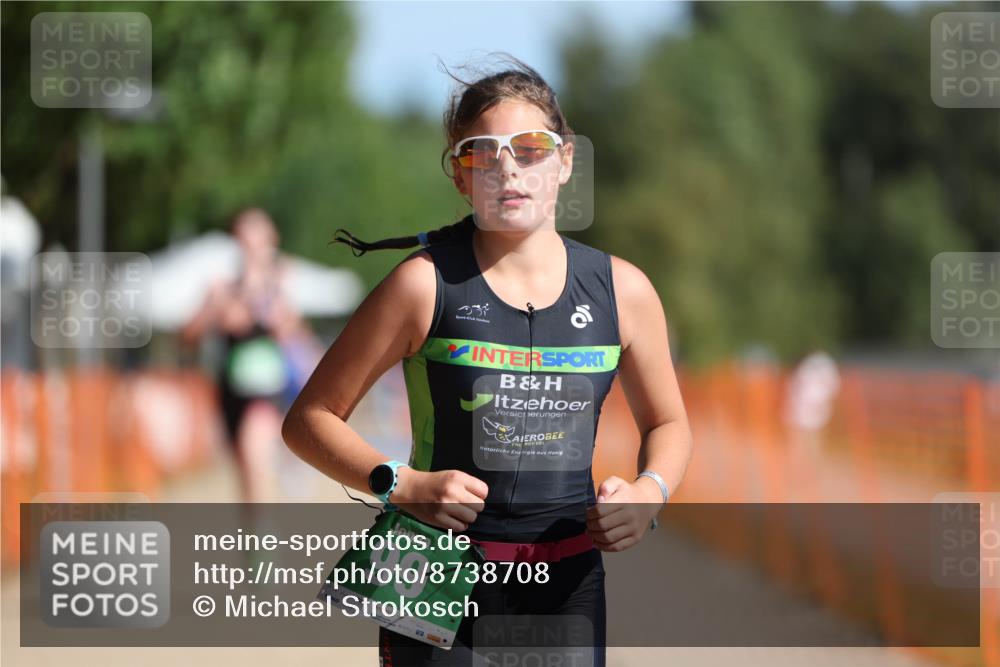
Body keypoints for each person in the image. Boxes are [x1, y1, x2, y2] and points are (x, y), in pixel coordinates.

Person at [282, 55, 693, 666]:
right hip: (427, 576)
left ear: (565, 161)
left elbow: (669, 424)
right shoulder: (421, 286)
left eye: (530, 148)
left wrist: (648, 492)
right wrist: (402, 485)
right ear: (460, 177)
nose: (508, 170)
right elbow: (308, 420)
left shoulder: (622, 291)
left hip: (564, 587)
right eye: (482, 152)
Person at [182, 207, 320, 504]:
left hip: (269, 390)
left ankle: (264, 541)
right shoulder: (222, 288)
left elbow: (299, 336)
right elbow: (188, 336)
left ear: (271, 238)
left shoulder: (284, 282)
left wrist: (279, 321)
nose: (251, 243)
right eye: (244, 235)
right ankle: (254, 543)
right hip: (231, 390)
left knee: (254, 463)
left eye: (257, 234)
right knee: (244, 475)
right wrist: (215, 314)